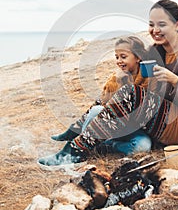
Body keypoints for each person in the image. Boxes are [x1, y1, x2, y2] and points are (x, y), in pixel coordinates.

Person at [38, 0, 178, 168]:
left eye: (162, 24)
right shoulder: (158, 51)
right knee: (124, 92)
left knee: (131, 94)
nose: (155, 30)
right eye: (151, 24)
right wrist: (123, 74)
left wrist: (174, 80)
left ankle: (73, 152)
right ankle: (77, 130)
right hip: (167, 115)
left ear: (177, 24)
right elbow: (137, 77)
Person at [38, 36, 151, 167]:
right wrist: (119, 81)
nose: (119, 61)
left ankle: (105, 145)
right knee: (96, 110)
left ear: (138, 57)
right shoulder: (116, 77)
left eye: (123, 56)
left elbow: (141, 106)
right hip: (111, 124)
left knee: (143, 146)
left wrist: (127, 83)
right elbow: (105, 104)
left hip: (131, 127)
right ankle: (76, 145)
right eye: (117, 57)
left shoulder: (147, 77)